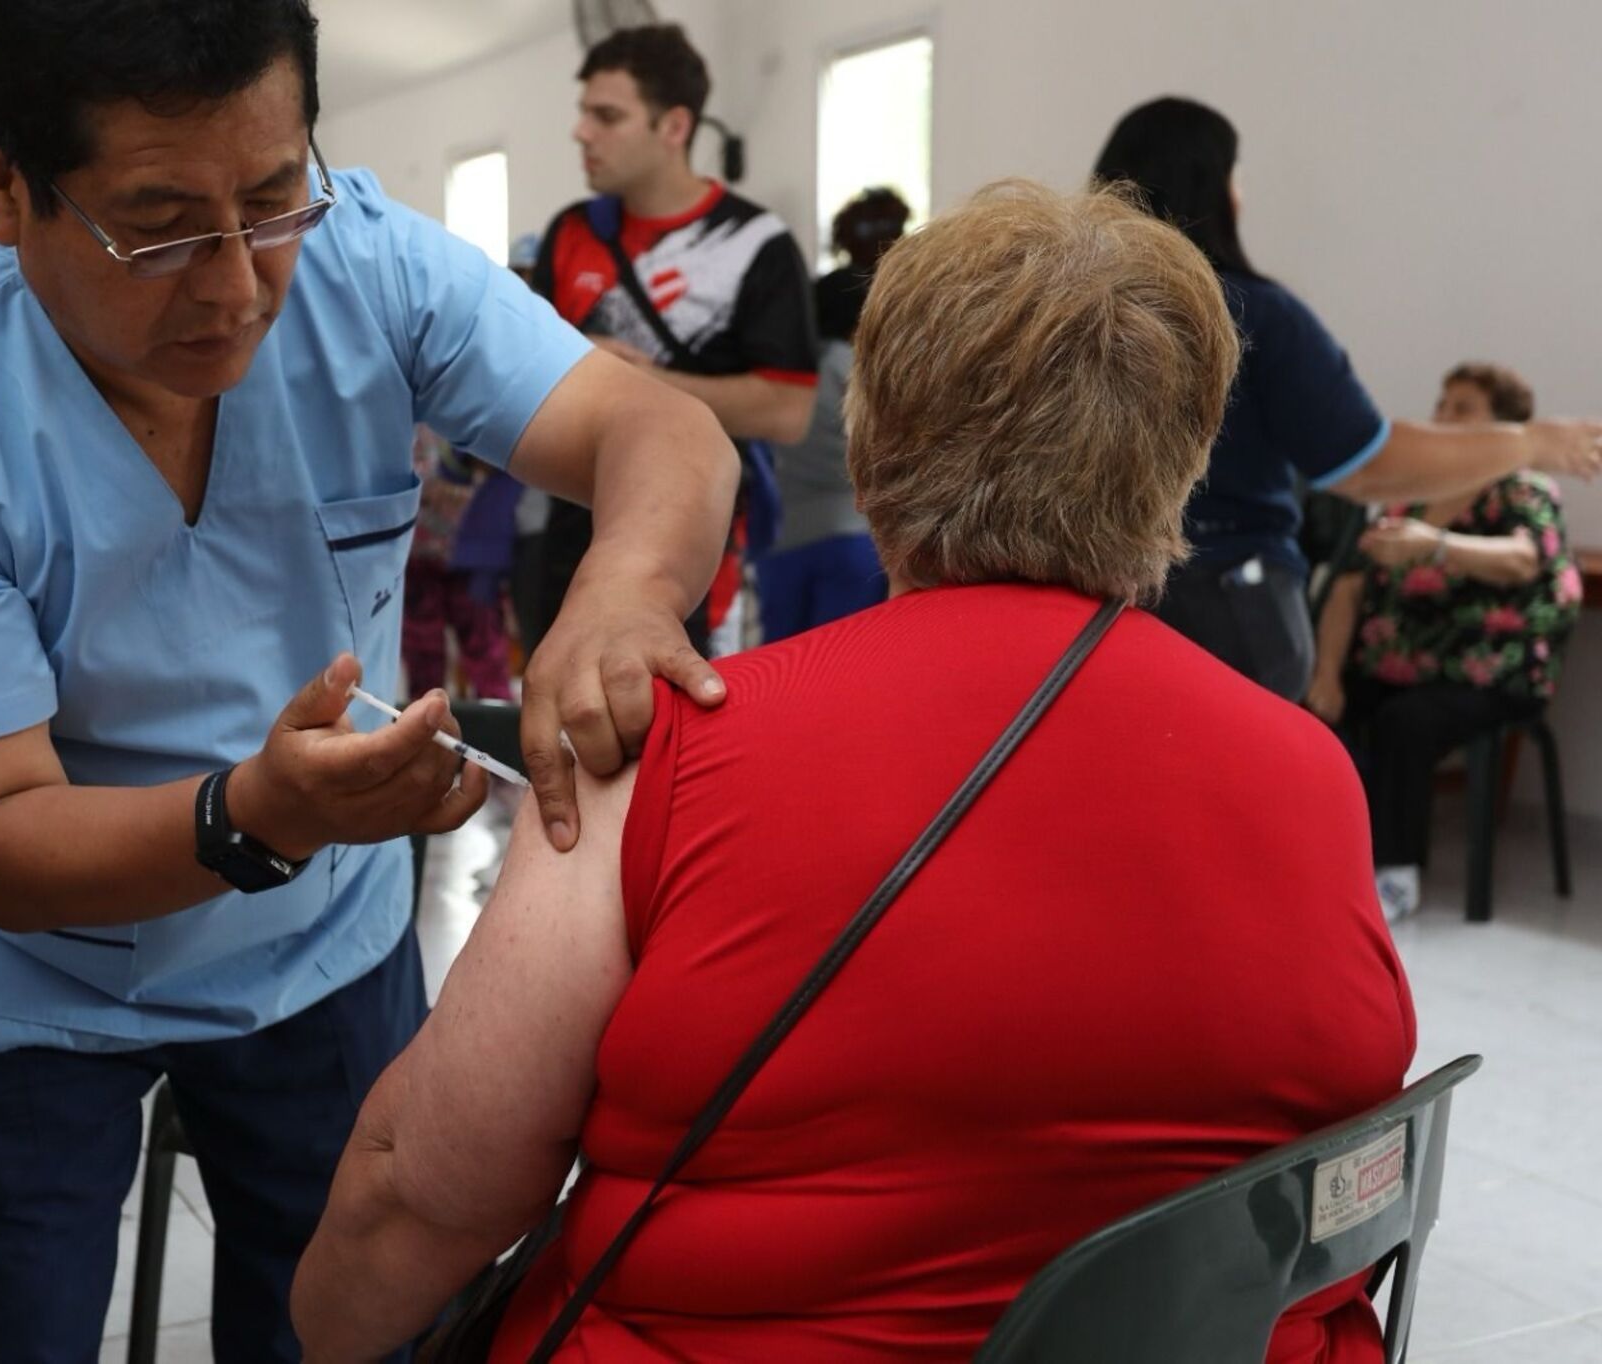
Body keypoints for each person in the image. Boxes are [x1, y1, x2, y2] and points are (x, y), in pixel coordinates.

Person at [293, 183, 1416, 1363]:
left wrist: (316, 1332)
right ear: (1181, 465)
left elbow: (423, 1191)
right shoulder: (1310, 772)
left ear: (872, 447)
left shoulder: (663, 752)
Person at [0, 2, 739, 1360]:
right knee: (2, 1326)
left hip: (318, 935)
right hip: (18, 970)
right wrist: (257, 814)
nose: (237, 286)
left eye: (272, 198)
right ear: (1, 181)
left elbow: (654, 426)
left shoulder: (366, 263)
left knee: (354, 1317)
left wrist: (625, 591)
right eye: (161, 227)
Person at [1092, 97, 1602, 699]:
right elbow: (1367, 466)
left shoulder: (1069, 312)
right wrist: (1530, 443)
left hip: (1092, 611)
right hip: (1229, 610)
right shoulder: (1254, 316)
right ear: (1219, 191)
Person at [517, 23, 817, 657]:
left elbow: (787, 410)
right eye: (583, 112)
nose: (581, 132)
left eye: (607, 116)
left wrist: (638, 383)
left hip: (699, 545)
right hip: (572, 535)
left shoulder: (755, 244)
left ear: (674, 126)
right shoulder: (570, 233)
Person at [1308, 362, 1583, 921]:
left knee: (1406, 721)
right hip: (1394, 664)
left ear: (1504, 427)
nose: (1444, 415)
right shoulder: (1413, 493)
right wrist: (1327, 674)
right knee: (1309, 710)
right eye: (1443, 403)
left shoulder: (1522, 488)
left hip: (1489, 674)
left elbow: (1523, 558)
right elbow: (1350, 585)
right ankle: (1318, 859)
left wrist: (1435, 545)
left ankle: (1395, 875)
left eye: (1463, 408)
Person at [759, 187, 909, 641]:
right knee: (841, 660)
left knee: (781, 665)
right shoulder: (864, 369)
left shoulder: (785, 379)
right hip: (855, 537)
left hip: (783, 539)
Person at [403, 425, 517, 700]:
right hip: (418, 555)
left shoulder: (472, 417)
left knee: (486, 649)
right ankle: (423, 722)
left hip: (473, 554)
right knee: (423, 657)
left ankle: (496, 720)